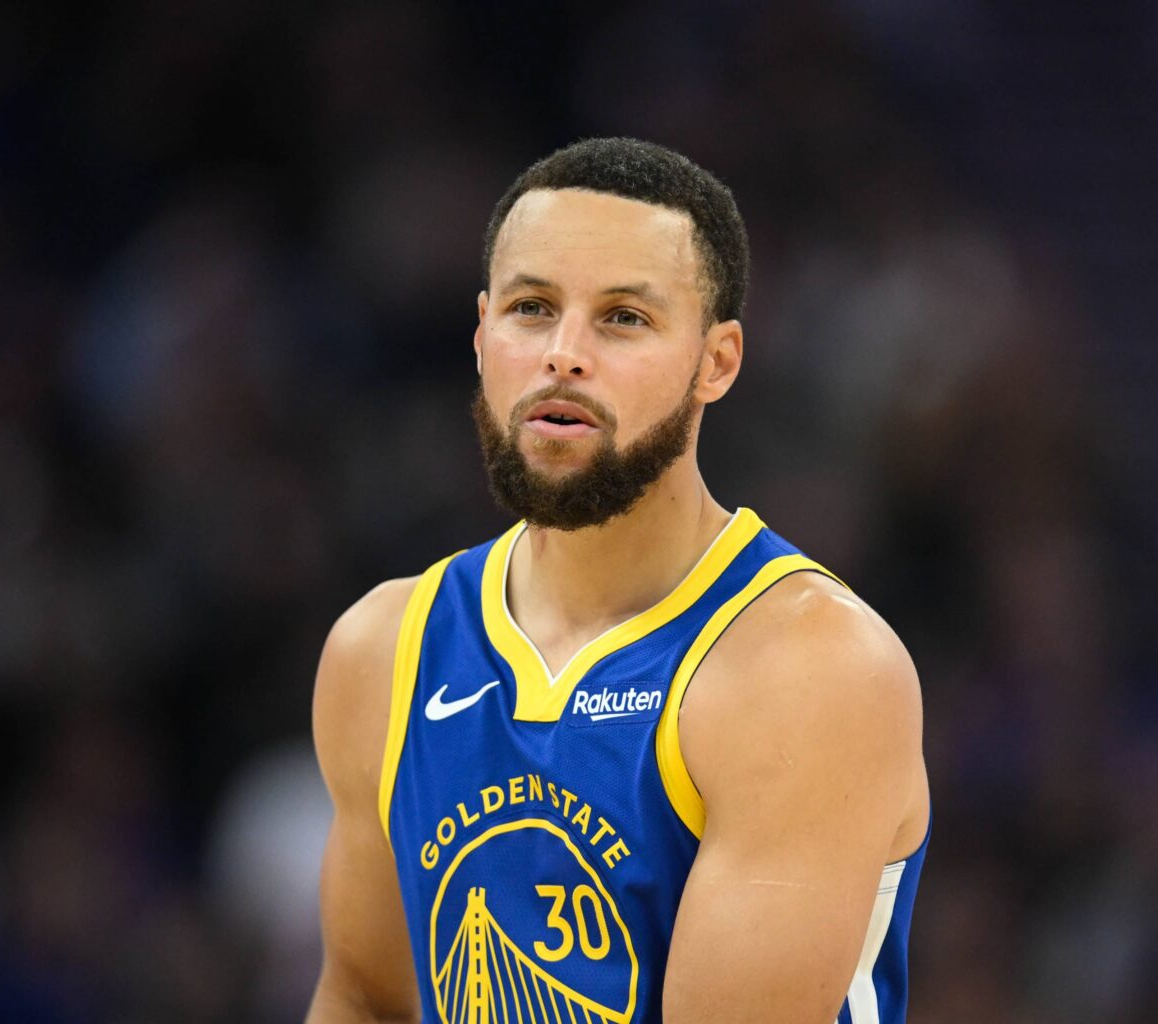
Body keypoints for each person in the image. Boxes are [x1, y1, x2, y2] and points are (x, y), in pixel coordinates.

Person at [306, 137, 930, 1024]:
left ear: (717, 362)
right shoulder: (383, 650)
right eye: (531, 308)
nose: (564, 354)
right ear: (482, 335)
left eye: (623, 318)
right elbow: (364, 998)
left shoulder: (808, 670)